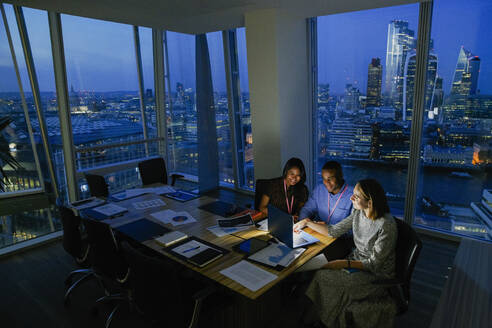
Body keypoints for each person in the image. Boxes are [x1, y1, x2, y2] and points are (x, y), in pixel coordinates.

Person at [294, 179, 397, 327]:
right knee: (321, 275)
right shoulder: (358, 212)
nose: (351, 198)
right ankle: (322, 319)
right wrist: (307, 222)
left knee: (326, 278)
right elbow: (334, 231)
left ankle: (324, 321)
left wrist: (343, 263)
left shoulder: (386, 225)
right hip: (356, 261)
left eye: (356, 196)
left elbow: (374, 263)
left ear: (370, 202)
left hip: (376, 274)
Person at [299, 161, 353, 226]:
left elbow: (353, 229)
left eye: (330, 179)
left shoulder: (353, 195)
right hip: (317, 232)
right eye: (323, 178)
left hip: (338, 235)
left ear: (340, 176)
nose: (326, 182)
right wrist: (303, 221)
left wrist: (326, 229)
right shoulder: (319, 189)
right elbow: (307, 209)